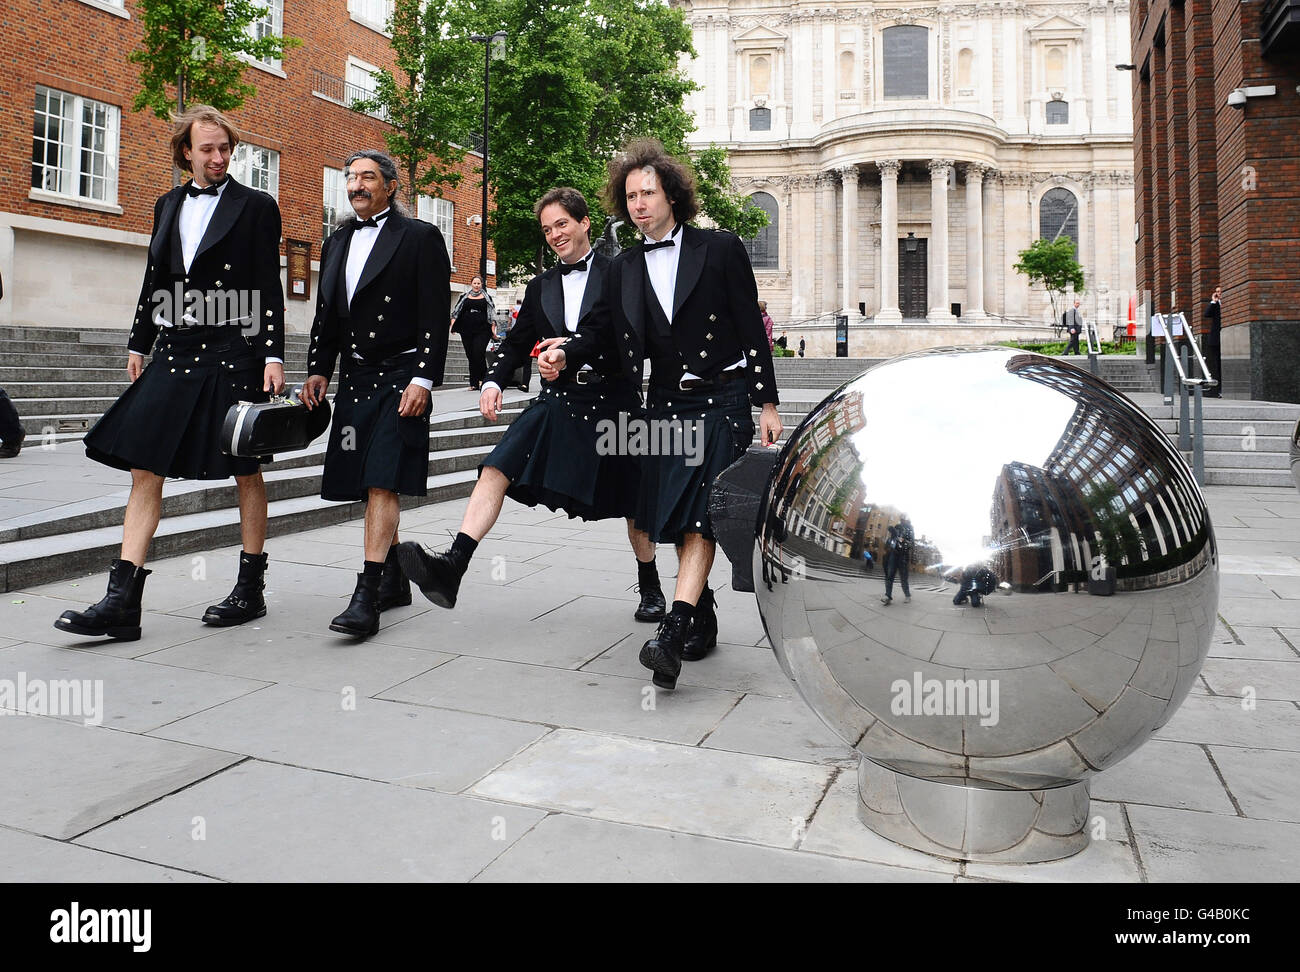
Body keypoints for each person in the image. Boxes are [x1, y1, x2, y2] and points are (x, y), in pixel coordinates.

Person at [538, 139, 782, 690]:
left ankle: (672, 632)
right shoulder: (623, 266)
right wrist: (564, 353)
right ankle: (701, 610)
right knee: (672, 514)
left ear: (671, 194)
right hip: (666, 403)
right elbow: (598, 333)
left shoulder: (718, 248)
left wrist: (766, 402)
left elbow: (749, 327)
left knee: (699, 511)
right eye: (629, 196)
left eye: (648, 192)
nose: (639, 204)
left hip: (721, 398)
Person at [56, 106, 285, 641]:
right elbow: (154, 275)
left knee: (244, 469)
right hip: (176, 348)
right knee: (143, 466)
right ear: (186, 152)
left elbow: (266, 284)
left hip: (233, 348)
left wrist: (272, 354)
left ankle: (249, 588)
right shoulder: (167, 204)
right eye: (207, 149)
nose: (218, 157)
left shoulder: (256, 206)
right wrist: (140, 341)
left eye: (225, 148)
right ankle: (122, 601)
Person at [397, 187, 665, 622]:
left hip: (613, 399)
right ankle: (452, 566)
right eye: (547, 229)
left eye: (562, 224)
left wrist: (571, 350)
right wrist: (493, 381)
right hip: (559, 400)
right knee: (495, 467)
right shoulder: (541, 286)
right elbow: (518, 342)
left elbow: (628, 336)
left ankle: (650, 586)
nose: (555, 235)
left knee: (635, 498)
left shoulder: (620, 273)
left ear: (584, 224)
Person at [300, 149, 450, 638]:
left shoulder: (421, 237)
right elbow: (328, 313)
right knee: (367, 480)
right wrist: (319, 368)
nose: (356, 185)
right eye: (351, 178)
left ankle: (364, 597)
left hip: (401, 374)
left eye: (367, 177)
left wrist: (423, 380)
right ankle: (392, 580)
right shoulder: (337, 239)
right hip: (357, 379)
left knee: (383, 479)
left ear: (390, 185)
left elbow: (433, 316)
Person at [451, 275, 493, 390]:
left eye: (478, 283)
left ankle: (483, 380)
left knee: (478, 353)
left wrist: (493, 330)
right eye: (475, 283)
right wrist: (453, 326)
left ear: (482, 285)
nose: (476, 285)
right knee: (470, 355)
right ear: (471, 284)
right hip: (466, 330)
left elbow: (491, 314)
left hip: (482, 330)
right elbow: (456, 312)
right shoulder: (464, 297)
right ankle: (474, 383)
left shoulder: (487, 297)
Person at [879, 514, 914, 605]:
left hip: (903, 557)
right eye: (901, 518)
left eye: (904, 518)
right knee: (889, 576)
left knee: (903, 578)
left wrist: (902, 541)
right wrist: (891, 542)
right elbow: (889, 545)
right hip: (893, 556)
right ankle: (888, 596)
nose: (902, 520)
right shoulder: (894, 533)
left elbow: (910, 544)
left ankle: (907, 595)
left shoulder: (908, 532)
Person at [1204, 286, 1222, 398]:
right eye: (1217, 292)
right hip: (1216, 338)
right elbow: (1207, 314)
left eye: (1220, 292)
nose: (1219, 294)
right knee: (1216, 364)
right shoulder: (1215, 305)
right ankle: (1217, 389)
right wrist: (1213, 301)